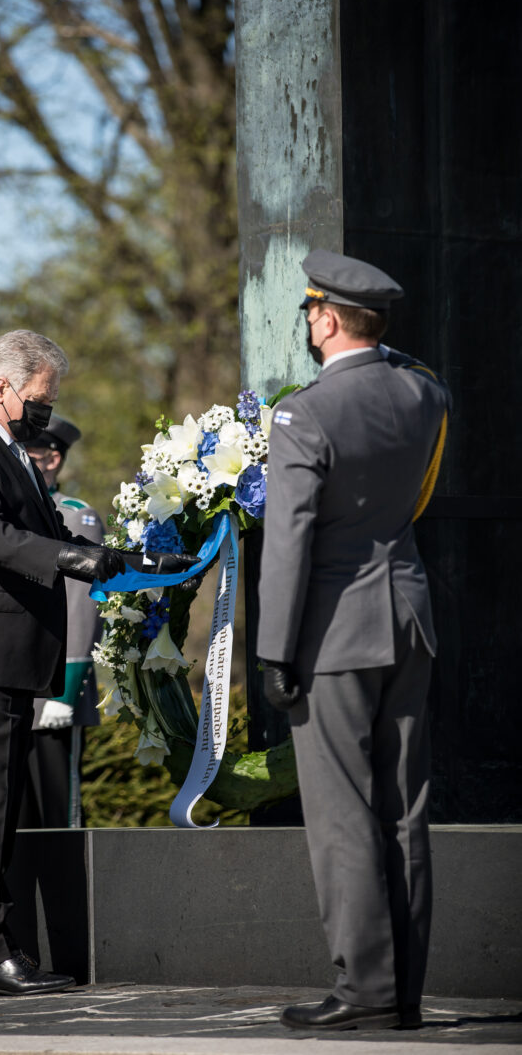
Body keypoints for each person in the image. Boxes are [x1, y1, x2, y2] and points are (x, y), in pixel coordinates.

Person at [0, 330, 195, 998]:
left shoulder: (8, 451)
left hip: (8, 658)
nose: (45, 414)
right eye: (40, 400)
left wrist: (136, 562)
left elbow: (58, 537)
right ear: (3, 386)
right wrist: (76, 561)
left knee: (1, 811)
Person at [257, 250, 450, 1031]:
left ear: (327, 318)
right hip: (408, 617)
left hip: (335, 632)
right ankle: (401, 989)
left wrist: (274, 650)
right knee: (405, 811)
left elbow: (290, 540)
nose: (308, 322)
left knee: (342, 814)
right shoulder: (425, 392)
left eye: (310, 312)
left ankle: (364, 989)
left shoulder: (304, 413)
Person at [19, 414, 104, 828]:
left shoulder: (74, 517)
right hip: (20, 687)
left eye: (28, 453)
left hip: (55, 693)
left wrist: (67, 690)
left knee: (58, 816)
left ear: (51, 459)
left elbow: (83, 606)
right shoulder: (20, 510)